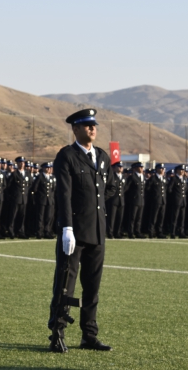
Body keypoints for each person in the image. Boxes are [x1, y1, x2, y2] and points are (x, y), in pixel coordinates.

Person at [48, 108, 115, 353]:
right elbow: (63, 195)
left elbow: (111, 188)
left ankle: (89, 334)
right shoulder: (67, 156)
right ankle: (57, 333)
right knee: (65, 286)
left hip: (97, 232)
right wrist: (67, 226)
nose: (92, 128)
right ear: (75, 129)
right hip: (74, 233)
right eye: (87, 125)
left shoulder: (102, 156)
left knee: (92, 288)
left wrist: (93, 208)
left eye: (94, 125)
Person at [5, 156, 29, 239]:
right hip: (16, 198)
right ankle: (11, 231)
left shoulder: (27, 174)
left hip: (23, 199)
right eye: (20, 163)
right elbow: (8, 186)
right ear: (17, 164)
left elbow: (29, 185)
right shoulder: (14, 174)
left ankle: (21, 232)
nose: (22, 164)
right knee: (13, 216)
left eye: (23, 162)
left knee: (22, 216)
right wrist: (12, 196)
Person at [31, 162, 55, 239]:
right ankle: (39, 232)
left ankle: (47, 231)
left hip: (49, 200)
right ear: (44, 168)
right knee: (40, 217)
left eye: (49, 168)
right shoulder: (40, 177)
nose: (48, 169)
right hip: (41, 200)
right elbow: (35, 189)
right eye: (47, 168)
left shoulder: (52, 177)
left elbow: (53, 189)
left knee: (48, 217)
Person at [144, 163, 167, 238]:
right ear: (157, 169)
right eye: (161, 168)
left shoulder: (163, 178)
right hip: (156, 201)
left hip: (163, 200)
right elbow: (147, 189)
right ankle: (151, 232)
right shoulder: (153, 178)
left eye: (163, 169)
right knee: (154, 217)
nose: (162, 170)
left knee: (161, 217)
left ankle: (159, 232)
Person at [166, 165, 188, 239]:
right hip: (176, 200)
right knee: (175, 217)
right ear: (177, 171)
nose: (182, 171)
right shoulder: (174, 179)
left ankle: (181, 232)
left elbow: (186, 189)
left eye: (183, 170)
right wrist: (175, 196)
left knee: (182, 218)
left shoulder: (184, 179)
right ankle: (172, 233)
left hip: (183, 201)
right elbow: (169, 189)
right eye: (181, 170)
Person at [125, 162, 146, 238]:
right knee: (132, 217)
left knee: (139, 218)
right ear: (135, 168)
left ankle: (137, 231)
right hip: (134, 200)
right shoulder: (132, 177)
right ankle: (130, 232)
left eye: (142, 167)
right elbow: (127, 188)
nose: (141, 168)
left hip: (141, 200)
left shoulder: (142, 177)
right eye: (140, 167)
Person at [105, 162, 126, 238]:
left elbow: (124, 188)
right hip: (113, 200)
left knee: (119, 218)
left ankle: (117, 232)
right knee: (111, 218)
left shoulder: (123, 177)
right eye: (119, 166)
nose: (120, 168)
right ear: (115, 168)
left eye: (121, 167)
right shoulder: (112, 177)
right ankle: (110, 233)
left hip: (121, 200)